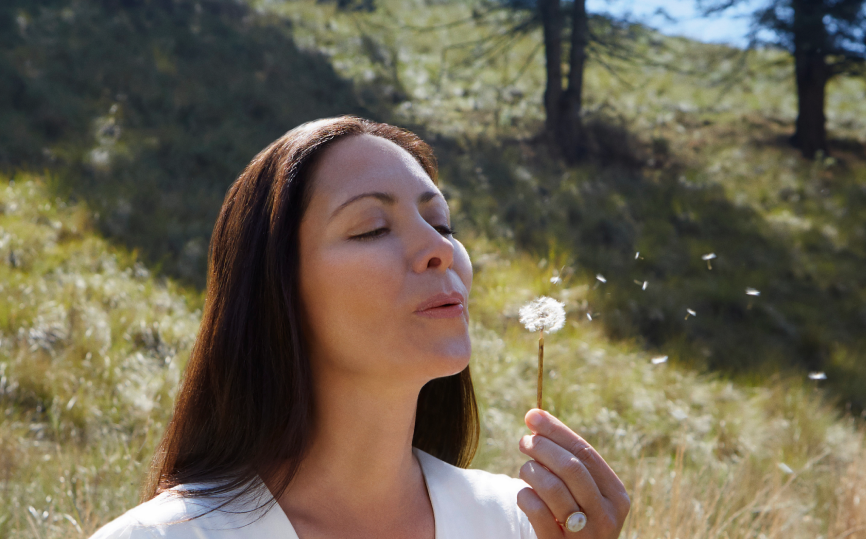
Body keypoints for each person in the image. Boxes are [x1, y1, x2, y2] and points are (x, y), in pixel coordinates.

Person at [90, 116, 630, 539]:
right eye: (373, 228)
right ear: (275, 289)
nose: (440, 249)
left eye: (440, 222)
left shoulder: (519, 526)